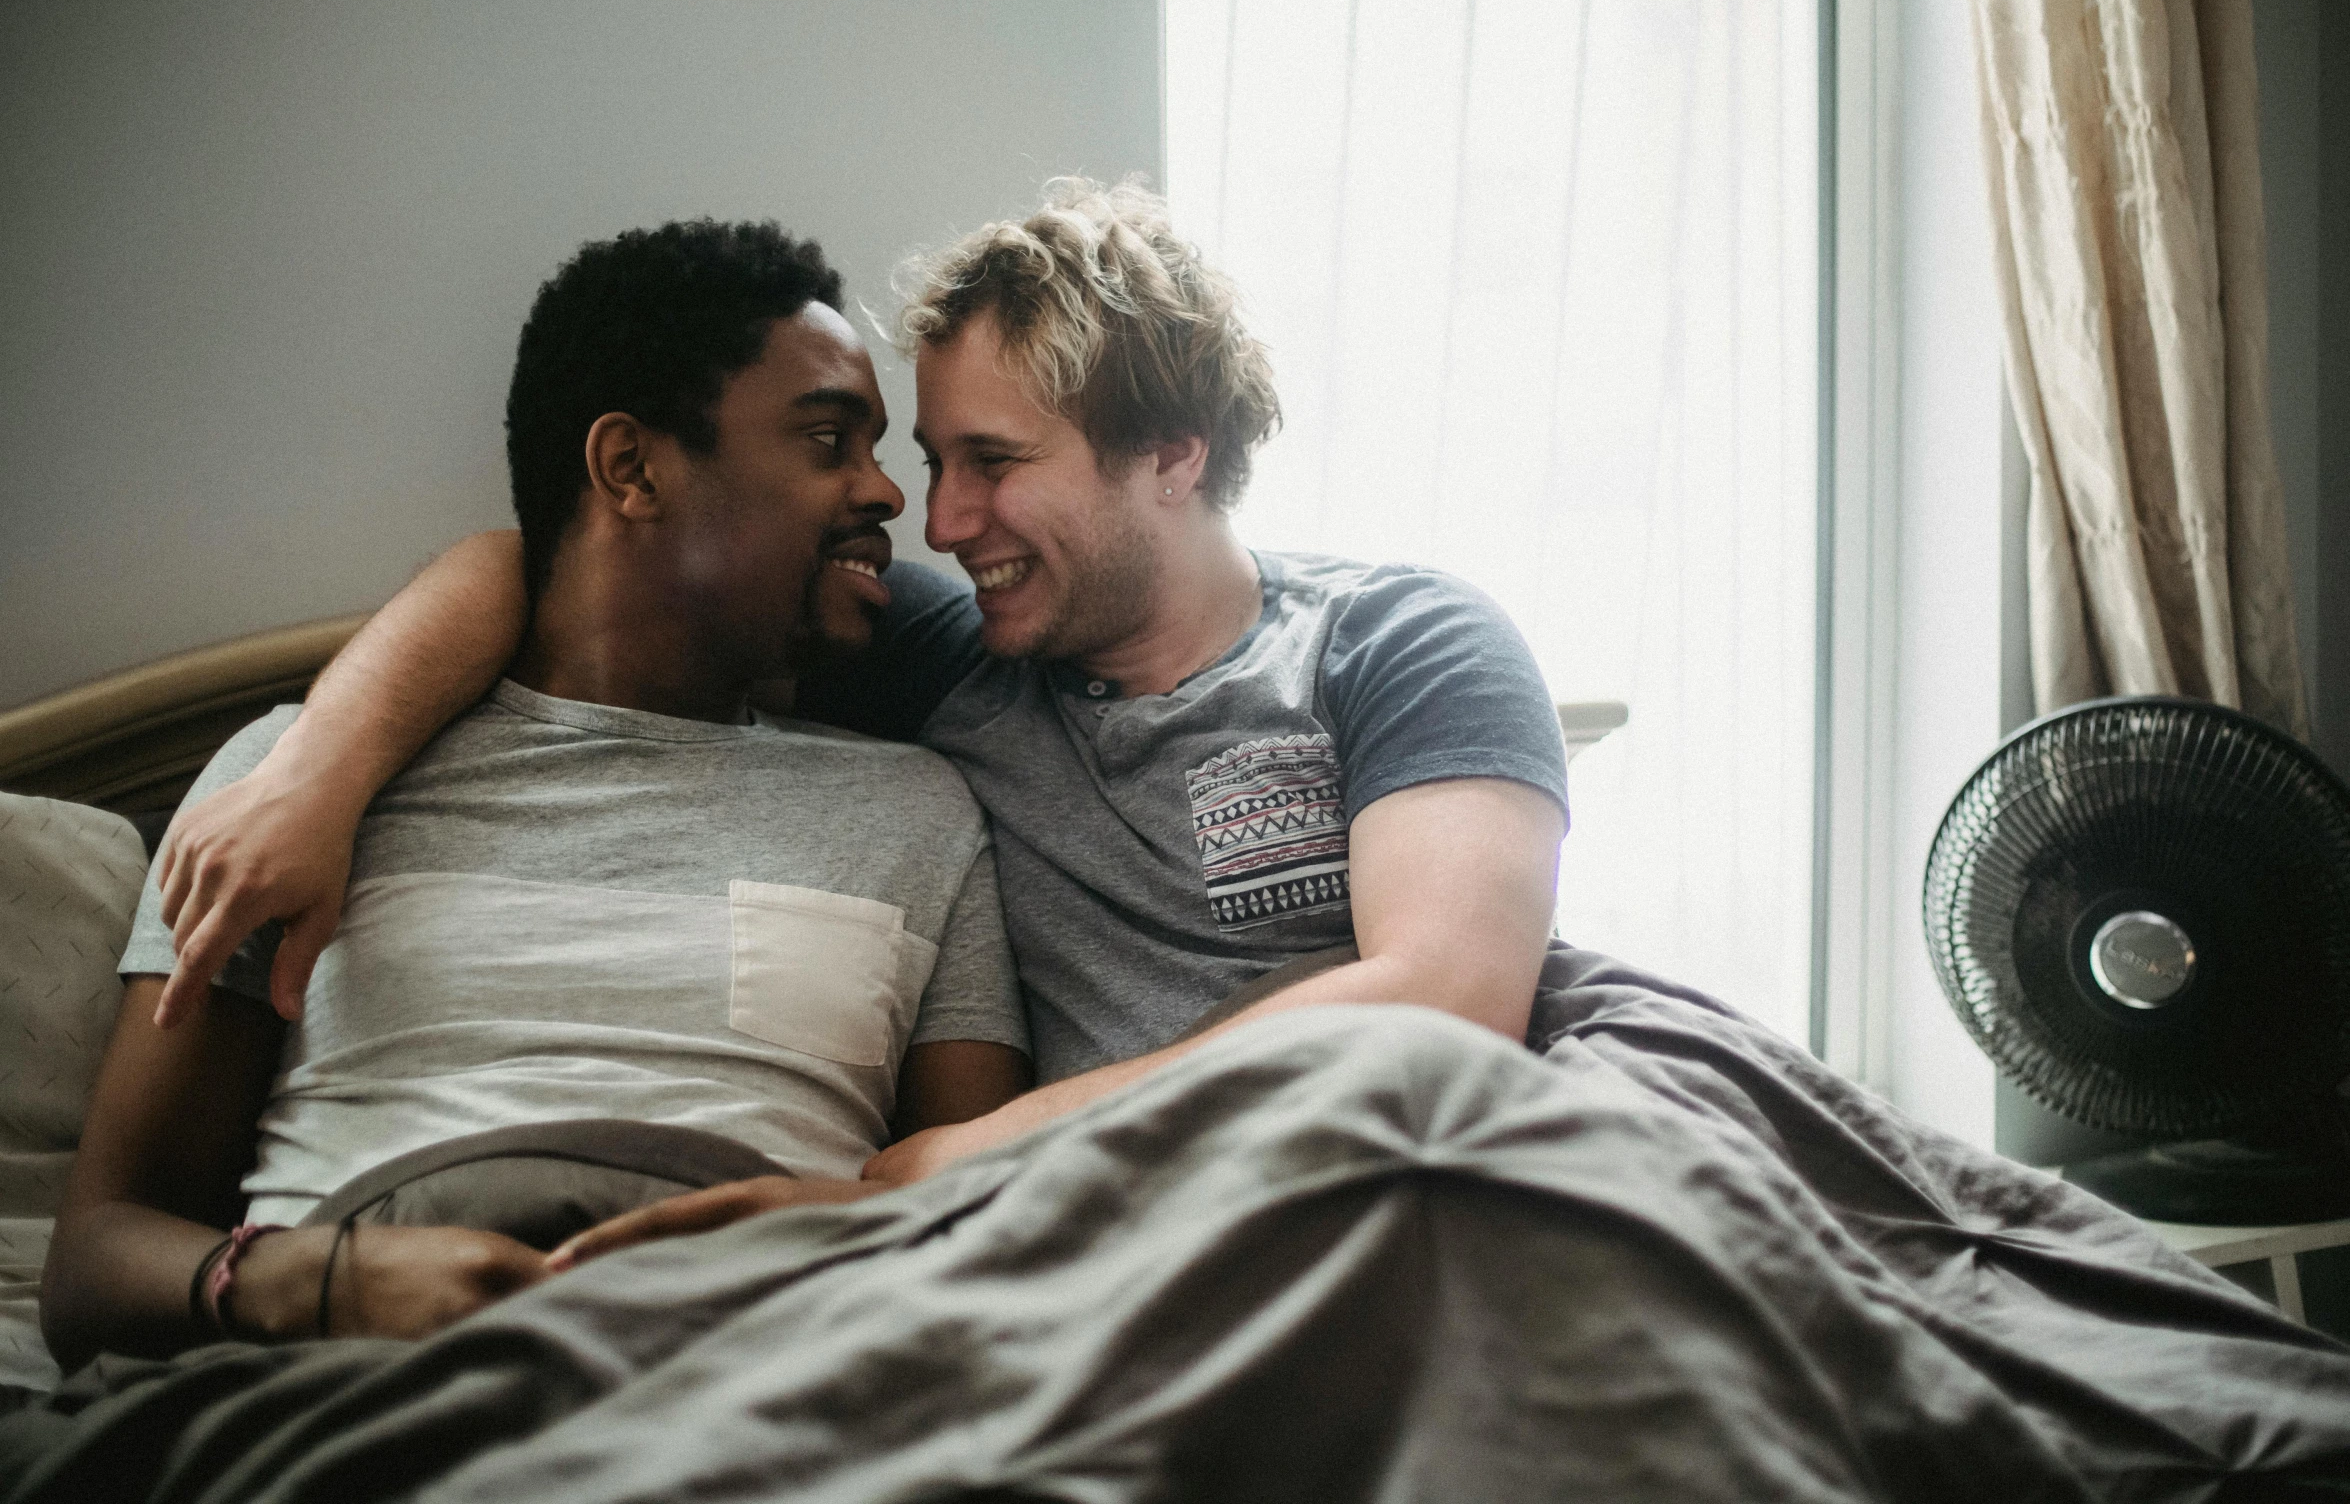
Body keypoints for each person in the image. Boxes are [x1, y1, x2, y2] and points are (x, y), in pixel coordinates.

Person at [146, 178, 1568, 1250]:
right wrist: (317, 770)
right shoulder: (961, 666)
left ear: (1172, 455)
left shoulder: (1396, 639)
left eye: (991, 461)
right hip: (1122, 1234)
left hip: (1392, 1164)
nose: (938, 519)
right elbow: (551, 564)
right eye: (924, 459)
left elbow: (1447, 996)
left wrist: (963, 1150)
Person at [41, 221, 1029, 1372]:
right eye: (825, 440)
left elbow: (984, 1225)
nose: (887, 494)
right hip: (337, 1366)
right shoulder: (292, 784)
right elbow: (92, 1267)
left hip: (748, 1365)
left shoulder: (921, 810)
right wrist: (320, 1283)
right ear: (631, 468)